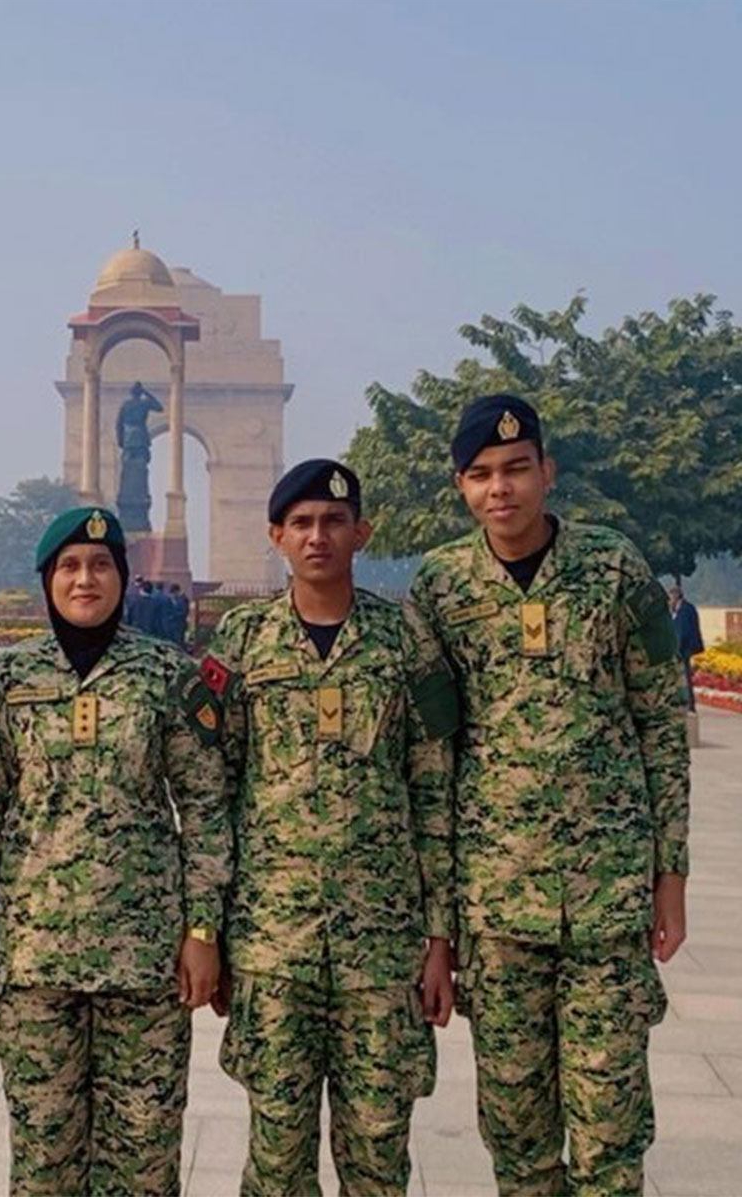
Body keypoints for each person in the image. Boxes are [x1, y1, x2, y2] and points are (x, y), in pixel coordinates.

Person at [409, 394, 689, 1196]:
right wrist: (441, 922)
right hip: (498, 909)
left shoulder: (615, 568)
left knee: (610, 1133)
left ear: (547, 472)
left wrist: (671, 875)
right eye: (481, 475)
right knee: (520, 1137)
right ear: (463, 488)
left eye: (517, 469)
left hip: (608, 897)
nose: (501, 490)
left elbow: (659, 726)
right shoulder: (441, 588)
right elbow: (435, 756)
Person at [0, 505, 229, 1196]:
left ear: (123, 580)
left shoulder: (167, 677)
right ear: (47, 580)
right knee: (44, 1158)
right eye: (69, 566)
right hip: (36, 961)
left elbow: (205, 810)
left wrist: (202, 930)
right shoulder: (8, 684)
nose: (85, 579)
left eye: (101, 565)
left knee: (145, 1158)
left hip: (147, 962)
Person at [210, 461, 456, 1196]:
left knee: (379, 1158)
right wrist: (211, 932)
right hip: (272, 945)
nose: (319, 536)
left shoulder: (405, 640)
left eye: (334, 521)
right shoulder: (242, 641)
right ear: (277, 536)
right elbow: (214, 790)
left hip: (382, 951)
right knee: (277, 1161)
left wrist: (439, 939)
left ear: (361, 533)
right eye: (303, 524)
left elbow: (433, 792)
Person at [670, 582, 704, 712]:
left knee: (685, 677)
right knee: (683, 677)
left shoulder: (684, 610)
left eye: (671, 597)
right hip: (685, 648)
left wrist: (676, 650)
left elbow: (682, 632)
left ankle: (689, 705)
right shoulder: (683, 608)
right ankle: (686, 704)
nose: (670, 601)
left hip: (684, 649)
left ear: (677, 596)